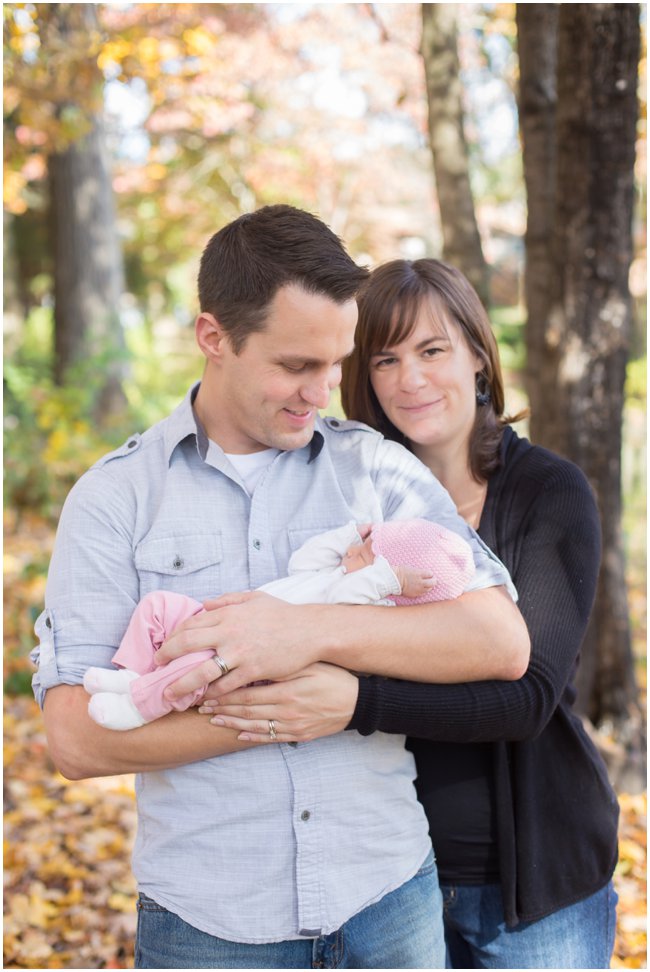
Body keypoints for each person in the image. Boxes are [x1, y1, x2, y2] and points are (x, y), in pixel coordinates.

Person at [32, 208, 529, 971]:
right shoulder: (115, 499)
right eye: (298, 366)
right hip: (210, 923)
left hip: (389, 897)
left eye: (337, 364)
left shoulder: (376, 468)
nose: (324, 391)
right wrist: (295, 709)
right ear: (213, 338)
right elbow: (76, 738)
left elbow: (499, 640)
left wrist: (308, 635)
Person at [205, 258, 620, 969]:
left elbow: (527, 698)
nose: (410, 379)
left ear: (479, 359)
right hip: (385, 885)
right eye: (385, 359)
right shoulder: (339, 499)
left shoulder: (549, 492)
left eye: (433, 351)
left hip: (535, 890)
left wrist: (356, 700)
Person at [84, 518, 477, 731]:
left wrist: (388, 579)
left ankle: (139, 706)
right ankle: (134, 675)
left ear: (387, 578)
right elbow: (300, 563)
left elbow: (347, 601)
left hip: (251, 660)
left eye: (367, 554)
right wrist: (346, 536)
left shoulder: (367, 603)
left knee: (197, 668)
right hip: (224, 622)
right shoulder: (335, 573)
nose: (356, 551)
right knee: (158, 606)